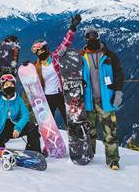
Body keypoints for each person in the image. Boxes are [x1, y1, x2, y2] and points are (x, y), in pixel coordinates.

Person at [80, 27, 124, 170]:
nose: (92, 38)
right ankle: (89, 154)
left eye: (94, 35)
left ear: (99, 36)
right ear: (85, 39)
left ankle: (112, 159)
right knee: (89, 131)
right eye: (89, 36)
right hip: (88, 101)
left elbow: (119, 74)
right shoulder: (81, 56)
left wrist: (118, 92)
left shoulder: (110, 56)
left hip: (106, 100)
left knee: (110, 131)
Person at [29, 14, 82, 127]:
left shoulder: (56, 57)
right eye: (37, 52)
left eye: (41, 50)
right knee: (49, 123)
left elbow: (65, 43)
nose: (39, 53)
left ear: (46, 49)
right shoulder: (36, 66)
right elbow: (29, 81)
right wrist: (26, 69)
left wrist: (72, 28)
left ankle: (74, 138)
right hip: (46, 97)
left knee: (68, 119)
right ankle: (50, 143)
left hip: (60, 94)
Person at [0, 74, 41, 153]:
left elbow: (25, 115)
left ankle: (34, 152)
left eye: (11, 84)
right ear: (2, 87)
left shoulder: (18, 99)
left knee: (31, 126)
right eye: (6, 85)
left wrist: (18, 128)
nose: (9, 87)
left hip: (13, 127)